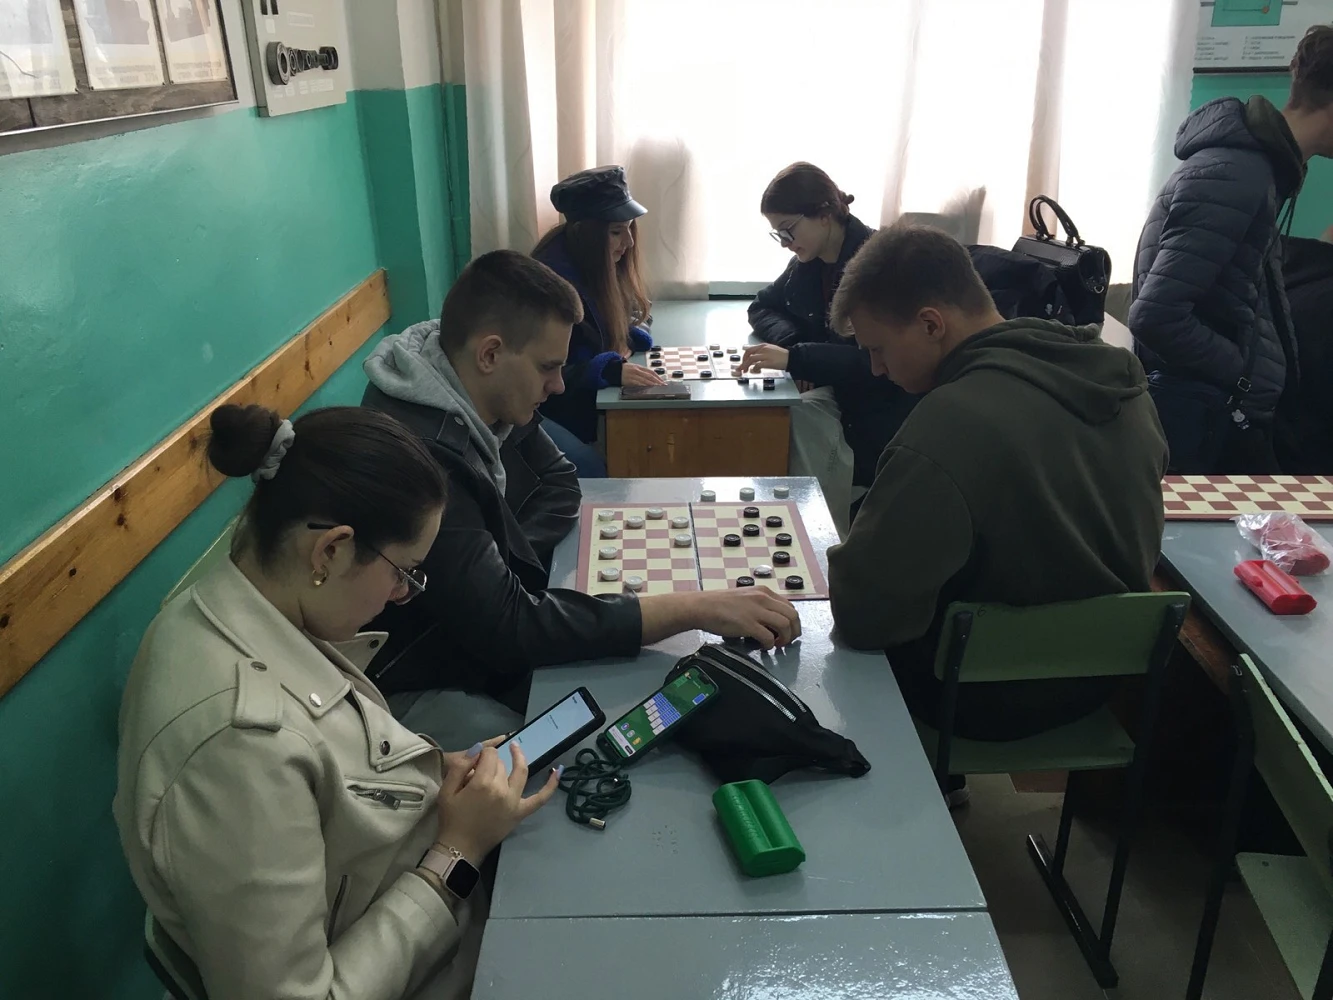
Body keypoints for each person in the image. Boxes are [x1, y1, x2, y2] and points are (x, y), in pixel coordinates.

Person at [114, 403, 560, 1000]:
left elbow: (332, 775)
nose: (402, 594)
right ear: (330, 551)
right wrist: (457, 854)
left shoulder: (234, 606)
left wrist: (434, 778)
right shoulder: (238, 744)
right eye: (404, 572)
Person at [361, 251, 801, 735]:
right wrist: (698, 606)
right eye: (548, 367)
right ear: (490, 354)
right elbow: (511, 631)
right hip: (410, 676)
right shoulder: (425, 457)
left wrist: (502, 562)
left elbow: (560, 479)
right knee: (577, 744)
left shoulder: (471, 384)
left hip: (472, 638)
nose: (558, 385)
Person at [825, 225, 1167, 751]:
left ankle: (897, 794)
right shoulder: (1124, 384)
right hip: (1103, 679)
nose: (876, 369)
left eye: (878, 348)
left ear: (931, 324)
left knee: (821, 661)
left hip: (978, 696)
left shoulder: (948, 423)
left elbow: (862, 615)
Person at [1130, 25, 1333, 474]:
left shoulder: (1260, 168)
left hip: (1219, 412)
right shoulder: (1236, 173)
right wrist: (1241, 373)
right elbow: (1156, 316)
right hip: (1203, 416)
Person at [745, 162, 918, 536]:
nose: (786, 242)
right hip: (836, 391)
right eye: (778, 234)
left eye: (789, 229)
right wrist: (797, 348)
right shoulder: (807, 264)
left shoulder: (879, 265)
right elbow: (761, 306)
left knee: (792, 422)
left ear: (824, 215)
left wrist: (799, 359)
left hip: (875, 408)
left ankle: (821, 540)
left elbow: (879, 362)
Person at [531, 165, 665, 477]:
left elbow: (638, 310)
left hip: (579, 402)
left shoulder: (598, 261)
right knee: (593, 470)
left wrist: (630, 331)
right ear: (586, 233)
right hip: (539, 405)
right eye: (616, 232)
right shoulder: (549, 284)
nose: (629, 243)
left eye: (629, 229)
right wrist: (604, 370)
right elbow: (536, 371)